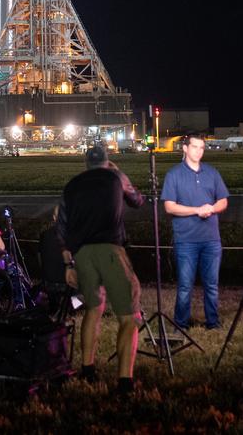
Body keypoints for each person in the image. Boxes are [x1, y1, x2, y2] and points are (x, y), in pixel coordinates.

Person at [56, 143, 145, 394]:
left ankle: (88, 369)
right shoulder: (116, 176)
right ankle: (125, 382)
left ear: (86, 163)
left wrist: (67, 264)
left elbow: (61, 228)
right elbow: (137, 201)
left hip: (82, 254)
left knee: (93, 309)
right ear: (107, 161)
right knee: (129, 317)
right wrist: (118, 172)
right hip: (111, 251)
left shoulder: (72, 185)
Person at [161, 134, 230, 330]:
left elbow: (223, 201)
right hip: (186, 240)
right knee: (184, 286)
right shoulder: (173, 174)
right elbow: (169, 207)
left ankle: (213, 322)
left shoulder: (212, 172)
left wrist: (211, 208)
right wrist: (196, 210)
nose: (198, 151)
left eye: (201, 147)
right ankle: (181, 324)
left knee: (212, 285)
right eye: (194, 147)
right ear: (185, 148)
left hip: (211, 239)